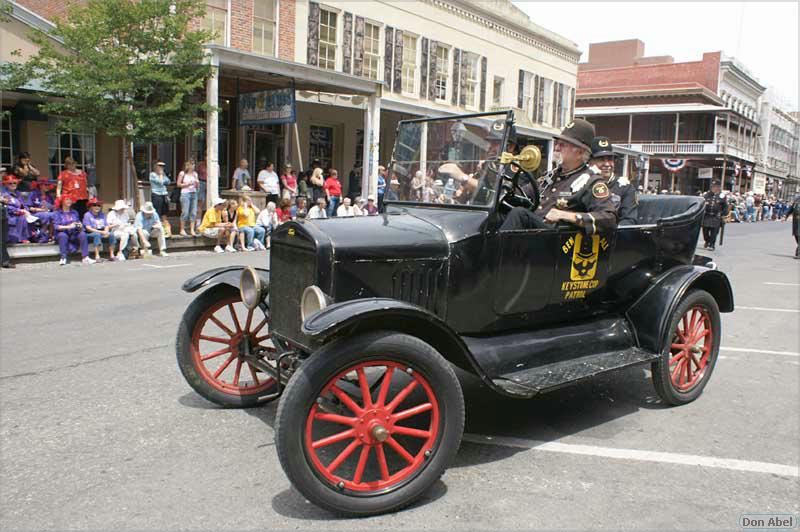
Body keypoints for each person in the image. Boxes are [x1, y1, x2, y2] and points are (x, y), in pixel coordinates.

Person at [500, 119, 618, 234]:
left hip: (555, 243)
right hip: (533, 236)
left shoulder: (592, 182)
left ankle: (496, 253)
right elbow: (521, 193)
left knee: (520, 214)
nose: (556, 148)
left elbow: (609, 218)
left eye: (562, 145)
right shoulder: (550, 177)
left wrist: (567, 216)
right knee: (499, 212)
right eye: (557, 144)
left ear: (580, 152)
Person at [590, 136, 638, 226]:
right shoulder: (583, 185)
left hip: (613, 235)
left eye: (610, 159)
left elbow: (629, 220)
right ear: (590, 161)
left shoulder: (624, 187)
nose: (607, 164)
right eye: (601, 159)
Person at [52, 196, 93, 265]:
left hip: (73, 233)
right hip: (62, 233)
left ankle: (85, 257)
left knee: (82, 234)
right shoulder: (57, 213)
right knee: (63, 235)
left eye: (70, 199)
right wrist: (69, 226)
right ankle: (63, 258)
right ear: (62, 202)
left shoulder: (74, 212)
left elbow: (78, 222)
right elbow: (56, 227)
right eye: (67, 199)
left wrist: (79, 225)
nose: (69, 201)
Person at [1, 173, 32, 244]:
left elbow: (23, 205)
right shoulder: (5, 195)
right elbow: (7, 207)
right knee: (22, 217)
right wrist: (19, 211)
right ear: (5, 184)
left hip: (21, 215)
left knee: (32, 217)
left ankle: (34, 237)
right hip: (11, 217)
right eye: (10, 183)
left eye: (14, 183)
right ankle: (21, 238)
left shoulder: (18, 194)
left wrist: (25, 210)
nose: (13, 185)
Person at [701, 180, 727, 251]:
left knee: (714, 232)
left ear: (718, 187)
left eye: (715, 187)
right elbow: (702, 203)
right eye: (713, 186)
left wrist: (723, 215)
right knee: (705, 231)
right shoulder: (707, 195)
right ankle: (707, 240)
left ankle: (712, 245)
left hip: (716, 217)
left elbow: (725, 206)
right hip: (707, 216)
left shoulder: (722, 196)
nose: (713, 188)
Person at [176, 160, 199, 237]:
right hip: (185, 193)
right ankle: (182, 229)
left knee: (193, 212)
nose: (193, 166)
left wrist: (197, 183)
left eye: (194, 164)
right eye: (192, 164)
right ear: (188, 165)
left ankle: (192, 229)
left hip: (194, 193)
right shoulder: (182, 173)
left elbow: (196, 186)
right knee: (185, 212)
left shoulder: (195, 174)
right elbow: (178, 184)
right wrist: (187, 184)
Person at [149, 161, 171, 236]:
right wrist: (161, 175)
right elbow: (161, 182)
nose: (161, 167)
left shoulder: (163, 174)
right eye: (160, 166)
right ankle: (157, 229)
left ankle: (166, 230)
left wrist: (163, 175)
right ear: (155, 166)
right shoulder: (152, 174)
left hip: (164, 195)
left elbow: (168, 182)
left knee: (164, 213)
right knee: (157, 212)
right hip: (156, 194)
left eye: (162, 166)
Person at [789, 194, 800, 259]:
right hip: (796, 221)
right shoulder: (796, 200)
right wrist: (785, 216)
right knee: (796, 236)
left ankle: (799, 253)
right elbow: (791, 209)